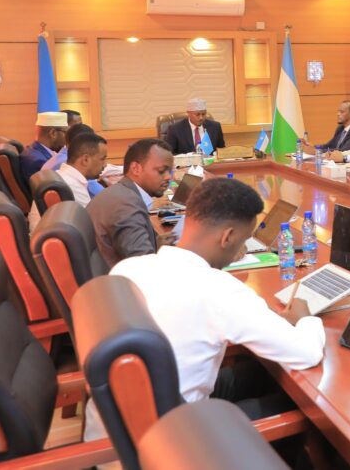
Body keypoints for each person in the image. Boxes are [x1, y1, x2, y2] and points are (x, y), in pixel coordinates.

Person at [84, 178, 324, 441]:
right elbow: (306, 353)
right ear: (227, 237)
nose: (242, 250)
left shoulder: (127, 269)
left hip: (115, 427)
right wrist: (305, 319)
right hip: (172, 442)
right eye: (244, 240)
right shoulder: (219, 291)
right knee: (307, 410)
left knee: (260, 373)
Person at [88, 138, 174, 266]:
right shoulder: (126, 206)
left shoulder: (122, 194)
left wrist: (156, 244)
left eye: (170, 171)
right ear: (136, 168)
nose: (168, 177)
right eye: (161, 171)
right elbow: (143, 266)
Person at [28, 132, 109, 229]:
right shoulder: (73, 187)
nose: (105, 165)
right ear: (86, 160)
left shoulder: (61, 175)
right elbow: (92, 228)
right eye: (103, 159)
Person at [20, 111, 68, 183]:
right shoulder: (39, 162)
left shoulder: (32, 150)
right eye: (65, 132)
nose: (67, 138)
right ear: (53, 133)